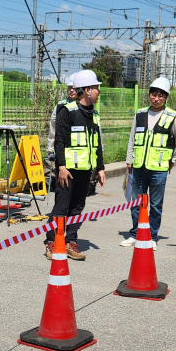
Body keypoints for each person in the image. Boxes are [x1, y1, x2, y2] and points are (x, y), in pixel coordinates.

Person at [44, 69, 106, 260]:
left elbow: (97, 144)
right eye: (96, 88)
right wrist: (61, 167)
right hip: (67, 171)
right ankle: (52, 242)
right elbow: (59, 141)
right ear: (87, 90)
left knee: (78, 207)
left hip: (85, 171)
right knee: (61, 207)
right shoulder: (67, 112)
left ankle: (70, 241)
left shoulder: (93, 115)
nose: (98, 92)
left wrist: (101, 168)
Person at [120, 77, 176, 249]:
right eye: (153, 94)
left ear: (166, 97)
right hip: (139, 166)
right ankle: (135, 234)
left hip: (159, 168)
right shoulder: (140, 114)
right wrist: (129, 160)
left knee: (155, 205)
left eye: (160, 95)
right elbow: (132, 138)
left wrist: (173, 160)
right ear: (149, 95)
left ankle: (152, 237)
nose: (156, 98)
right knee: (137, 202)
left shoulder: (172, 116)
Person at [47, 74, 77, 191]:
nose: (71, 90)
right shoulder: (60, 106)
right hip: (62, 153)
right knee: (63, 189)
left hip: (78, 156)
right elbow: (52, 129)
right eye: (69, 88)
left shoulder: (84, 107)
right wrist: (50, 149)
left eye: (74, 88)